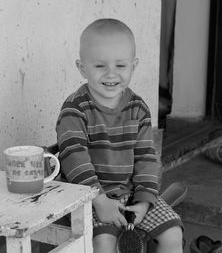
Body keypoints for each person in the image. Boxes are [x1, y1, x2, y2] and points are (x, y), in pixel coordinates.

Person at [56, 18, 183, 253]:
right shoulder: (75, 109)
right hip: (92, 198)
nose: (111, 74)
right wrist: (100, 200)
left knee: (173, 233)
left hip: (134, 194)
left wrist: (144, 201)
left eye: (120, 66)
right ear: (82, 68)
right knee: (104, 243)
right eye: (100, 66)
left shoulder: (137, 108)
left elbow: (146, 157)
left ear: (133, 66)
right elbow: (74, 160)